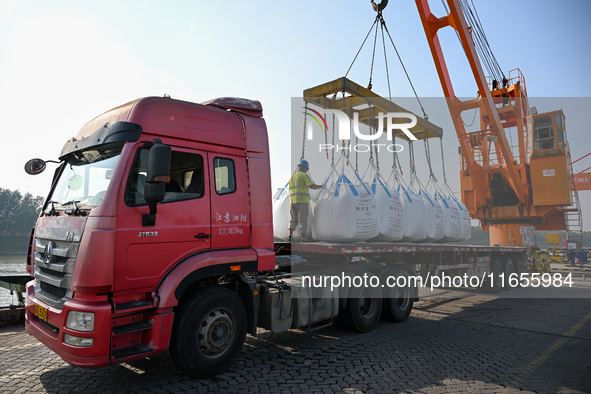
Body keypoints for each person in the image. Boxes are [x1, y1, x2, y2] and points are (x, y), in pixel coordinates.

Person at [289, 160, 322, 242]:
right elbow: (312, 186)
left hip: (292, 202)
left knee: (293, 219)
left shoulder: (292, 177)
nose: (306, 171)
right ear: (304, 168)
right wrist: (321, 186)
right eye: (306, 169)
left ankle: (290, 235)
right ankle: (303, 238)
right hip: (302, 201)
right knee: (302, 219)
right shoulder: (304, 175)